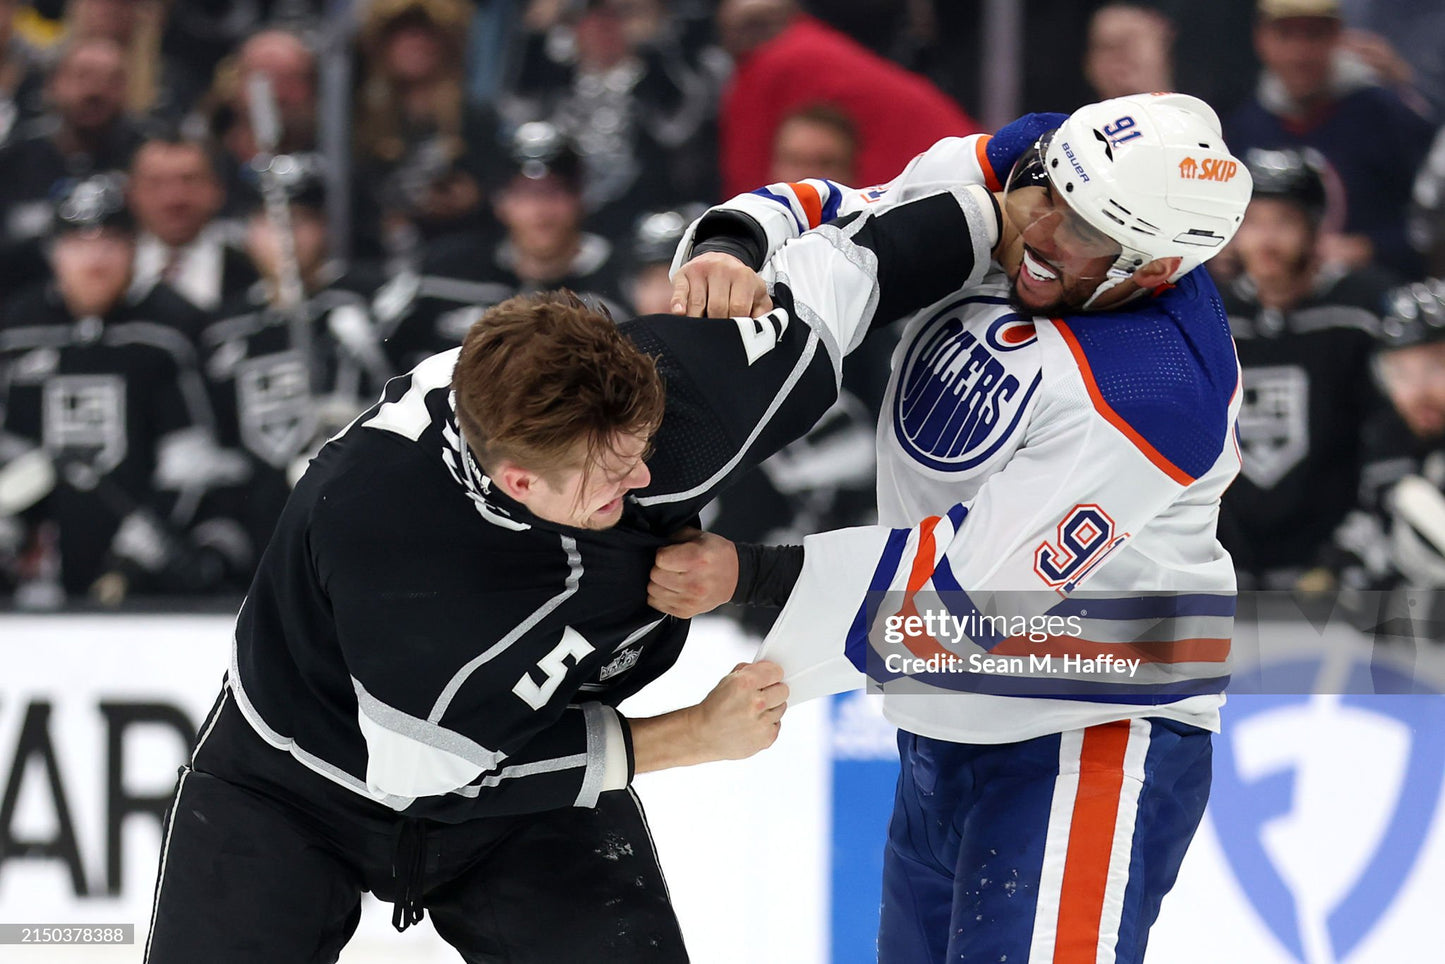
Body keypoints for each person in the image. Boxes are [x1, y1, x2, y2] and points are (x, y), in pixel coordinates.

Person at [141, 172, 1004, 961]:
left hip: (528, 809)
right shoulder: (400, 557)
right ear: (518, 482)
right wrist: (691, 737)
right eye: (608, 478)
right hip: (298, 786)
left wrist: (1010, 201)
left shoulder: (669, 408)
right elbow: (427, 778)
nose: (641, 483)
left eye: (640, 452)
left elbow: (861, 257)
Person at [652, 93, 1252, 963]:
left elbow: (967, 595)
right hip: (942, 721)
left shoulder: (1152, 393)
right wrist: (730, 247)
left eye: (1081, 230)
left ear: (1152, 268)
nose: (1036, 230)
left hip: (1092, 726)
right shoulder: (1020, 174)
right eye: (1048, 190)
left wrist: (748, 575)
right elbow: (842, 221)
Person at [0, 175, 216, 603]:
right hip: (35, 577)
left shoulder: (167, 331)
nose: (94, 261)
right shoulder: (17, 330)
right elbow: (9, 458)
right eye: (78, 244)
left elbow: (190, 471)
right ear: (53, 252)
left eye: (110, 243)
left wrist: (131, 563)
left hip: (145, 579)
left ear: (135, 250)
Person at [189, 155, 390, 589]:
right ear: (246, 231)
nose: (284, 238)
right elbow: (218, 441)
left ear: (325, 228)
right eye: (268, 223)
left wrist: (357, 413)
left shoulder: (373, 302)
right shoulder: (224, 327)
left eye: (298, 221)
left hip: (356, 522)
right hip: (262, 527)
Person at [1218, 146, 1395, 589]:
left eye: (1284, 222)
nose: (1266, 240)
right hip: (1228, 565)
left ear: (1315, 229)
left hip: (1334, 568)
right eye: (1253, 223)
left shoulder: (1362, 312)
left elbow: (1388, 443)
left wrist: (1347, 553)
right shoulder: (1210, 315)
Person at [372, 121, 629, 372]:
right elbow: (372, 343)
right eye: (524, 194)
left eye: (554, 192)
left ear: (580, 198)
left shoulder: (622, 281)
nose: (540, 211)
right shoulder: (444, 272)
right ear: (500, 201)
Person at [1224, 0, 1436, 277]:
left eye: (1314, 34)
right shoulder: (1244, 127)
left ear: (1338, 35)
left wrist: (1369, 248)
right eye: (1285, 35)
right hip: (1273, 302)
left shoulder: (1386, 117)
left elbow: (1429, 225)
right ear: (1261, 39)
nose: (1299, 53)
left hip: (1375, 297)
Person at [126, 132, 258, 312]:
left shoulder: (253, 269)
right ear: (132, 194)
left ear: (217, 189)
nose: (173, 199)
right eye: (155, 183)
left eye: (189, 180)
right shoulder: (110, 274)